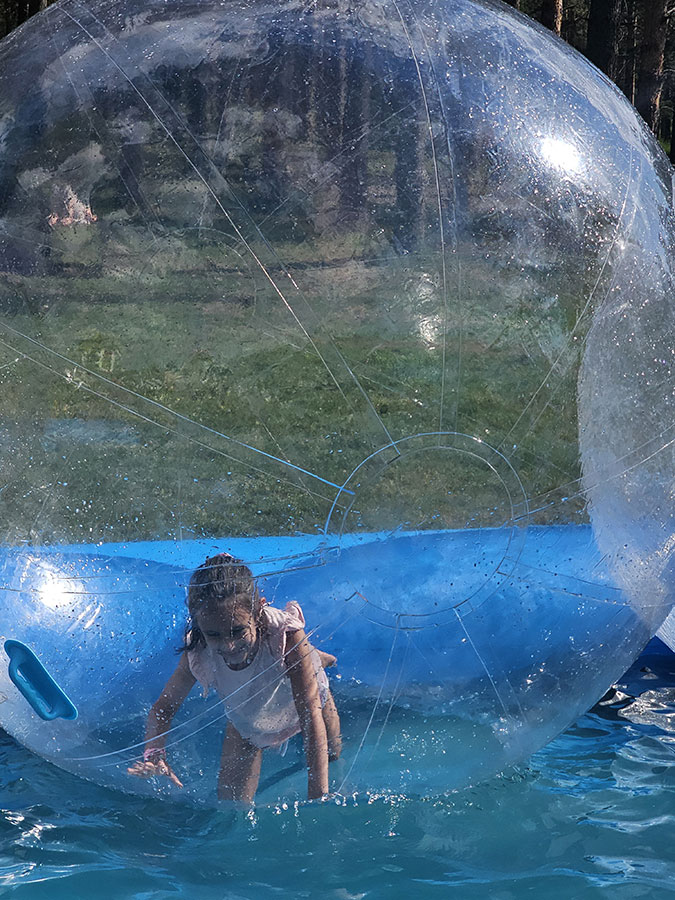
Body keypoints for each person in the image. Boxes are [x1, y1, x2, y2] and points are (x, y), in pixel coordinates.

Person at [127, 553, 341, 803]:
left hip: (304, 701)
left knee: (332, 755)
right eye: (214, 635)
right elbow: (164, 708)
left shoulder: (285, 635)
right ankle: (312, 657)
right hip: (249, 718)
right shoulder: (198, 652)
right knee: (231, 805)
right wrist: (154, 753)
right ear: (198, 625)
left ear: (258, 613)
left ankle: (313, 659)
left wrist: (317, 798)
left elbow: (310, 711)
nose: (228, 645)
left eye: (237, 631)